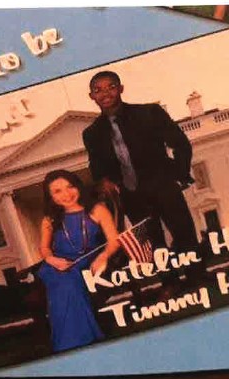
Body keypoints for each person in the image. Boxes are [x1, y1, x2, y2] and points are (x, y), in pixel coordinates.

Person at [82, 70, 204, 286]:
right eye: (98, 90)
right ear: (92, 96)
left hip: (163, 186)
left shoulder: (149, 113)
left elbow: (181, 144)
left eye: (111, 87)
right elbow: (96, 165)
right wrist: (103, 181)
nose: (105, 93)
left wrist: (179, 176)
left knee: (184, 233)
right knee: (152, 244)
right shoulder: (91, 133)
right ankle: (170, 284)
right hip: (131, 196)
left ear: (121, 89)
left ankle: (198, 278)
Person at [37, 170, 119, 352]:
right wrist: (51, 260)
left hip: (89, 262)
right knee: (66, 283)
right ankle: (75, 342)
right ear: (50, 197)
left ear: (78, 186)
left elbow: (114, 241)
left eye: (70, 187)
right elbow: (44, 248)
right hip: (58, 265)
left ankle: (74, 343)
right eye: (57, 191)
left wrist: (103, 257)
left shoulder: (97, 210)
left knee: (70, 283)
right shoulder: (49, 219)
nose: (66, 194)